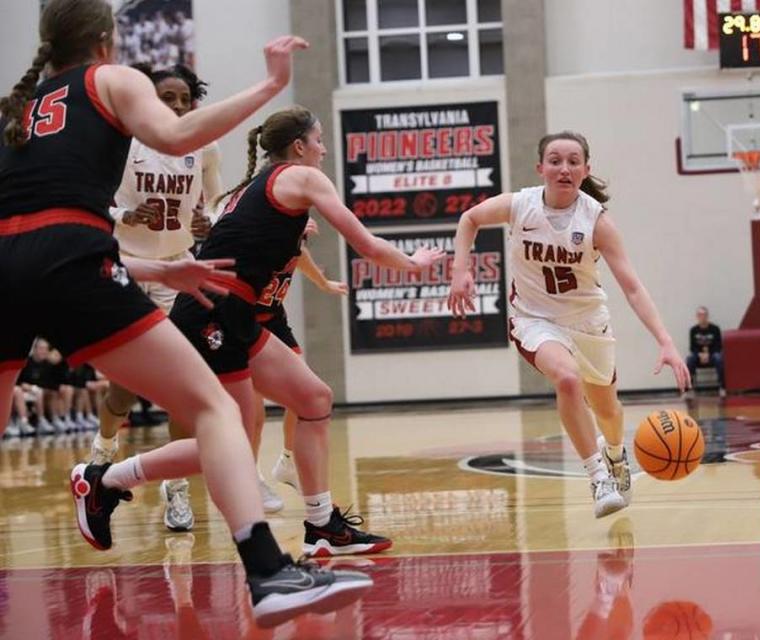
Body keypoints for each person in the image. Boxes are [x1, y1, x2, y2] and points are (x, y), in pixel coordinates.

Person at [0, 0, 369, 627]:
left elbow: (27, 229)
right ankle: (267, 570)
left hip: (11, 262)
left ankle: (111, 479)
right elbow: (175, 136)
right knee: (214, 408)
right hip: (75, 260)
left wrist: (153, 269)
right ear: (105, 41)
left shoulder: (17, 113)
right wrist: (272, 85)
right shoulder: (111, 79)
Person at [170, 105, 443, 555]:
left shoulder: (254, 188)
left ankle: (322, 526)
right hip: (210, 312)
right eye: (318, 140)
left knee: (314, 399)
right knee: (234, 443)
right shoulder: (305, 178)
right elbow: (367, 245)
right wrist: (414, 262)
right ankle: (111, 477)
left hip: (232, 311)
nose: (323, 149)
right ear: (299, 147)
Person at [447, 130, 691, 519]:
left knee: (609, 412)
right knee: (566, 379)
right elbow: (469, 219)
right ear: (540, 167)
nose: (564, 168)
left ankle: (614, 454)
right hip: (534, 318)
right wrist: (461, 269)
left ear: (585, 170)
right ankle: (598, 477)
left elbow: (632, 286)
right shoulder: (520, 205)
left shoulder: (597, 220)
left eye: (573, 161)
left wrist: (665, 341)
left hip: (588, 323)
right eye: (556, 160)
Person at [89, 61, 222, 535]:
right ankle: (100, 457)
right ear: (149, 97)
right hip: (124, 265)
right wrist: (126, 214)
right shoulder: (121, 140)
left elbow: (215, 201)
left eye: (185, 100)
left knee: (183, 392)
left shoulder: (202, 144)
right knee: (124, 389)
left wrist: (209, 220)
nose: (178, 107)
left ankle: (177, 491)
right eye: (168, 98)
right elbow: (90, 202)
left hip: (176, 273)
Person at [249, 217, 349, 511]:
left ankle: (288, 461)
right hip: (243, 321)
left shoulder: (293, 244)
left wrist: (324, 282)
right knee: (254, 416)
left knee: (304, 392)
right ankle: (249, 476)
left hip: (274, 318)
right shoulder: (257, 237)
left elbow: (300, 257)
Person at [685, 306, 725, 396]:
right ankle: (688, 389)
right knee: (689, 359)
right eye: (700, 315)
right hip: (698, 356)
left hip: (712, 355)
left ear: (707, 316)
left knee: (719, 358)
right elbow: (692, 347)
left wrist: (708, 354)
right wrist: (700, 354)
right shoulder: (693, 330)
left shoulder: (715, 329)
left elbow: (718, 346)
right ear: (697, 316)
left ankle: (722, 387)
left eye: (704, 315)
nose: (702, 317)